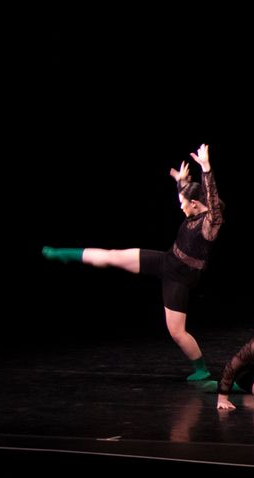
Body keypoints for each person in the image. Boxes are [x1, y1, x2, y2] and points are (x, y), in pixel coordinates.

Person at [41, 142, 223, 382]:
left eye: (183, 202)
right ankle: (63, 254)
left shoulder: (210, 225)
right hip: (168, 260)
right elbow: (194, 195)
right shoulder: (194, 205)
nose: (180, 205)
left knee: (177, 333)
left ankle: (202, 370)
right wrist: (181, 182)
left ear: (196, 205)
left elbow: (212, 201)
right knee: (113, 255)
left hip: (180, 278)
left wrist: (207, 168)